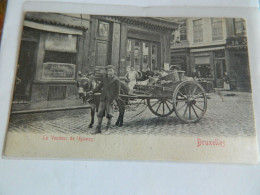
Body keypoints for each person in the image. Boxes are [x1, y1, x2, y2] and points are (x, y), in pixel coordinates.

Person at [91, 65, 120, 134]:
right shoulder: (104, 78)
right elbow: (99, 86)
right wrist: (92, 91)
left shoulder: (116, 80)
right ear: (107, 72)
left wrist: (114, 99)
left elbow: (117, 92)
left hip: (110, 99)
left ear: (114, 71)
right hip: (103, 98)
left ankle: (107, 129)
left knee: (109, 114)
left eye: (111, 70)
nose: (110, 72)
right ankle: (98, 129)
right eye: (108, 70)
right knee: (100, 113)